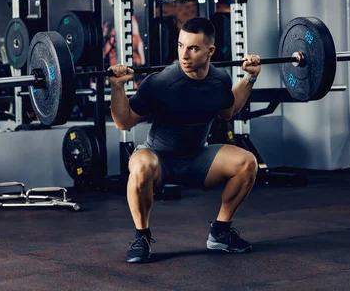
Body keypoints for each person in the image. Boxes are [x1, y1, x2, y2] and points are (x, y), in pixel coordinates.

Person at [109, 17, 261, 263]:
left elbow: (227, 112)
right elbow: (123, 122)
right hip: (160, 158)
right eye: (181, 46)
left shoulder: (219, 80)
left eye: (193, 48)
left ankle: (220, 232)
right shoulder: (161, 82)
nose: (184, 54)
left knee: (247, 163)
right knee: (140, 164)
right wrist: (117, 88)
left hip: (197, 158)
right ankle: (142, 236)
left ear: (210, 50)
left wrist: (250, 78)